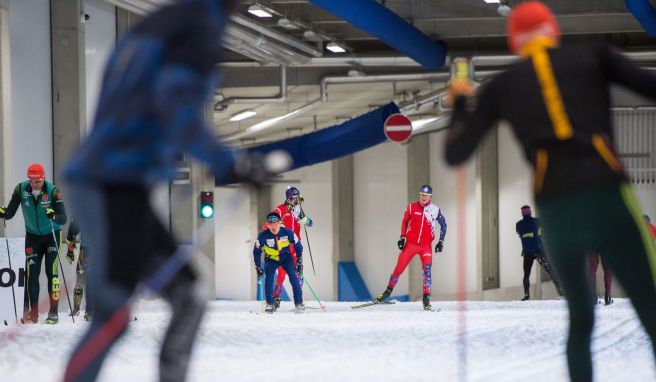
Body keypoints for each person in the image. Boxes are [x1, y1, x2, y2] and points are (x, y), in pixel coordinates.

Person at [61, 1, 278, 381]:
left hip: (119, 181)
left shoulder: (162, 22)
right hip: (111, 184)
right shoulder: (196, 28)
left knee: (188, 294)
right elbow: (175, 107)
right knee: (114, 314)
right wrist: (230, 163)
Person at [444, 2, 656, 380]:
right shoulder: (594, 55)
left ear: (515, 42)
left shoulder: (502, 87)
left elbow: (455, 153)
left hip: (556, 206)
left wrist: (460, 103)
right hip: (607, 193)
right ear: (553, 31)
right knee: (651, 307)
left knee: (581, 319)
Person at [0, 163, 67, 324]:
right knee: (32, 273)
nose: (35, 185)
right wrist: (2, 212)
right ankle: (34, 312)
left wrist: (53, 215)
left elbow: (63, 218)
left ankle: (53, 312)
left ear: (43, 179)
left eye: (38, 181)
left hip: (52, 234)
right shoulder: (21, 190)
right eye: (32, 181)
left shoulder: (53, 191)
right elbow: (9, 213)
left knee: (52, 272)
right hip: (33, 236)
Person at [375, 185, 447, 311]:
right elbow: (405, 221)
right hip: (411, 244)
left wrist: (441, 242)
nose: (423, 197)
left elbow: (444, 225)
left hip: (425, 246)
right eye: (421, 195)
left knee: (427, 272)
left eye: (425, 195)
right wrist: (402, 237)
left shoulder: (435, 210)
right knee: (398, 268)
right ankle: (387, 292)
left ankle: (426, 299)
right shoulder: (412, 207)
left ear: (430, 196)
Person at [253, 212, 304, 314]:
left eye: (275, 223)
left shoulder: (287, 232)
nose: (273, 226)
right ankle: (270, 304)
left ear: (279, 223)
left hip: (286, 258)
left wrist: (299, 260)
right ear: (268, 224)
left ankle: (299, 304)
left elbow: (298, 245)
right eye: (270, 223)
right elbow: (256, 250)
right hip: (271, 259)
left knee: (294, 278)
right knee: (269, 280)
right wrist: (258, 266)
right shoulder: (263, 235)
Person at [271, 186, 312, 309]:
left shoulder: (298, 211)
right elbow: (271, 220)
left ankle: (299, 301)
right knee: (282, 275)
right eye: (295, 199)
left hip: (296, 248)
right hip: (284, 248)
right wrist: (278, 224)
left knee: (299, 274)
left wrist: (306, 220)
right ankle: (276, 297)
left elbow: (311, 223)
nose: (297, 201)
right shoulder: (281, 209)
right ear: (289, 199)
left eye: (298, 199)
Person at [516, 205, 562, 300]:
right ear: (530, 212)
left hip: (527, 252)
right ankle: (561, 291)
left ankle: (526, 295)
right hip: (539, 250)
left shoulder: (518, 225)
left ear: (522, 213)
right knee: (550, 270)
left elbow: (518, 233)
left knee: (526, 274)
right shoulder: (537, 222)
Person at [65, 219, 92, 320]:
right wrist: (70, 251)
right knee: (80, 278)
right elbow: (72, 229)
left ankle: (90, 311)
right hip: (85, 250)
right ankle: (77, 308)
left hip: (100, 248)